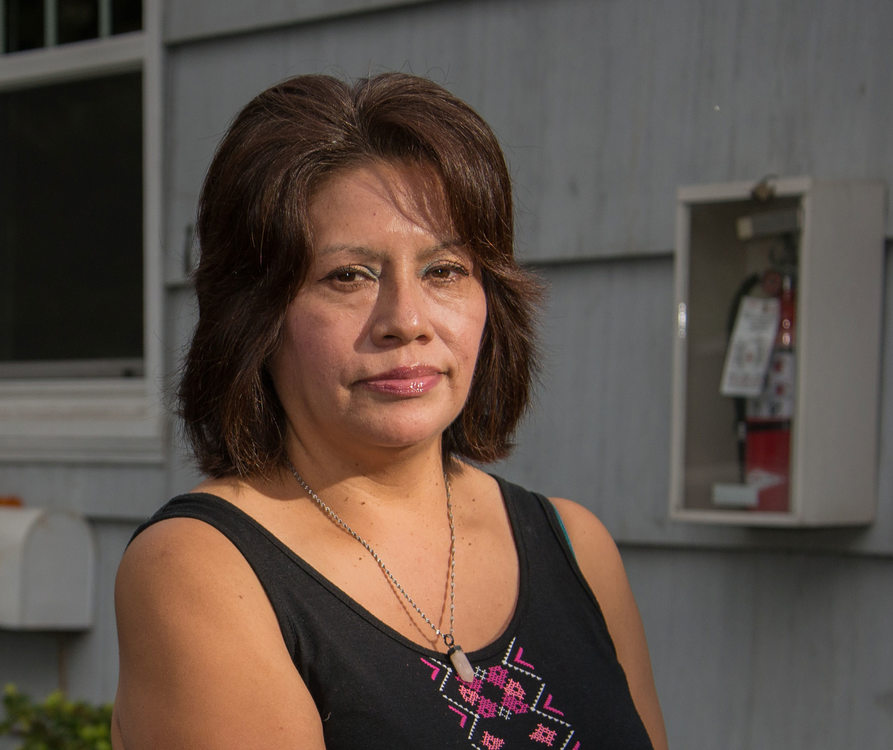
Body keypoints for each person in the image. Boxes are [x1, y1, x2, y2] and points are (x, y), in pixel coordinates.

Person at [112, 72, 667, 749]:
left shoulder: (575, 546)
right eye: (348, 276)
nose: (405, 321)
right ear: (255, 314)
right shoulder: (205, 568)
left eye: (444, 271)